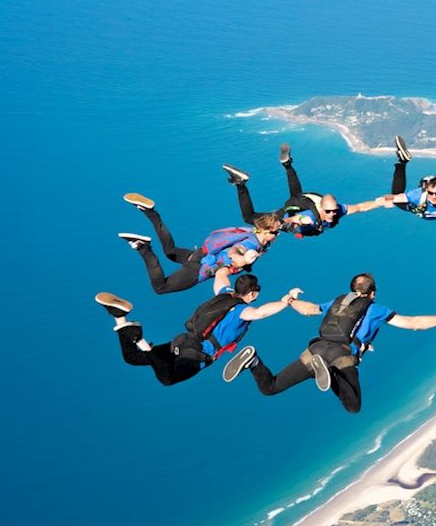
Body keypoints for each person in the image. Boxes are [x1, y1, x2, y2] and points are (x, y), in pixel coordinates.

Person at [222, 272, 436, 414]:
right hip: (341, 356)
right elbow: (413, 323)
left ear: (352, 290)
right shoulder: (376, 309)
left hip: (316, 348)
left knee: (270, 387)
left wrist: (291, 300)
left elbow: (309, 310)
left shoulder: (338, 301)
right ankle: (328, 372)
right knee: (353, 406)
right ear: (373, 293)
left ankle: (253, 361)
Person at [92, 273, 301, 386]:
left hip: (183, 342)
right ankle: (139, 339)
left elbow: (220, 275)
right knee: (167, 378)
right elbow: (261, 313)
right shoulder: (242, 311)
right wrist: (286, 301)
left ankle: (120, 319)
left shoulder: (225, 294)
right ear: (253, 294)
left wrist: (228, 265)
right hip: (196, 355)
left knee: (131, 358)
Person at [118, 192, 280, 294]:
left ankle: (150, 212)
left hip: (201, 253)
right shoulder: (251, 245)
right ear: (266, 231)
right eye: (276, 232)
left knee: (170, 251)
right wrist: (239, 258)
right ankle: (143, 247)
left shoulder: (253, 233)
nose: (278, 234)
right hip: (201, 268)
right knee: (161, 288)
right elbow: (236, 250)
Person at [221, 143, 388, 237]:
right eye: (328, 211)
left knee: (297, 196)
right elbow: (299, 219)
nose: (331, 214)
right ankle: (240, 184)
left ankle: (287, 164)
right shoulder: (309, 217)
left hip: (299, 203)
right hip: (285, 216)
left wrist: (379, 202)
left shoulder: (337, 211)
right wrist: (280, 225)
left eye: (333, 211)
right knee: (249, 217)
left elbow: (359, 207)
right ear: (321, 207)